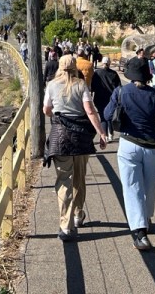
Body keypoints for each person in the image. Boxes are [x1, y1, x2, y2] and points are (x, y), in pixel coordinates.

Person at [104, 59, 155, 251]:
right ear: (147, 75)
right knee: (150, 186)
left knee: (131, 187)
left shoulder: (120, 92)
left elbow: (107, 114)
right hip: (153, 146)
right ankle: (146, 217)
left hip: (129, 143)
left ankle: (139, 232)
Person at [43, 54, 107, 241]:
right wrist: (101, 132)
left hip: (60, 136)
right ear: (75, 67)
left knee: (64, 180)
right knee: (79, 177)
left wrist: (57, 111)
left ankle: (66, 226)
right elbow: (90, 110)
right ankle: (78, 214)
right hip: (81, 137)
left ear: (60, 67)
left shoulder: (52, 85)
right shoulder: (81, 85)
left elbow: (46, 110)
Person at [91, 56, 122, 140]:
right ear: (109, 63)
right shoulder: (114, 73)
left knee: (103, 117)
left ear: (102, 63)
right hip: (111, 98)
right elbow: (119, 87)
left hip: (99, 97)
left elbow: (92, 86)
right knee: (110, 116)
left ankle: (105, 135)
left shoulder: (97, 73)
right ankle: (111, 133)